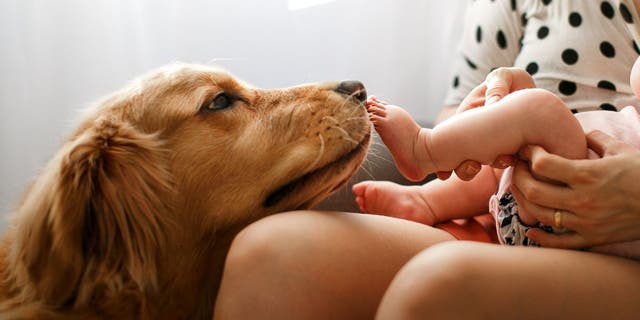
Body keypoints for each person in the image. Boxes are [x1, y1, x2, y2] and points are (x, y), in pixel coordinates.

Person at [213, 1, 640, 318]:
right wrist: (496, 111)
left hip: (617, 260)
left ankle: (426, 150)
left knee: (440, 284)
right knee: (273, 253)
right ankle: (429, 193)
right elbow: (464, 120)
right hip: (508, 217)